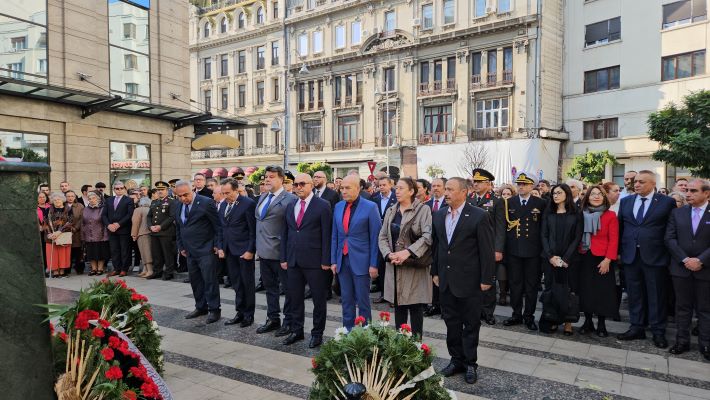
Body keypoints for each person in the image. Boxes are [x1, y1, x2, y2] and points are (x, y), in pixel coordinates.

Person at [432, 177, 494, 384]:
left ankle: (470, 363)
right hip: (446, 280)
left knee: (470, 324)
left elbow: (486, 250)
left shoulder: (479, 215)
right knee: (451, 323)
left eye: (450, 189)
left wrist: (487, 278)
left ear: (464, 192)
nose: (446, 193)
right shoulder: (439, 215)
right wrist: (435, 271)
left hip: (470, 281)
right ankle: (456, 360)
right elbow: (438, 246)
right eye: (446, 189)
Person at [617, 170, 676, 348]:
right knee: (634, 293)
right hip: (631, 256)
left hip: (655, 256)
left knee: (656, 294)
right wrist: (619, 252)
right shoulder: (626, 201)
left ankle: (658, 331)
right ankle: (636, 327)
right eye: (635, 181)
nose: (636, 184)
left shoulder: (666, 202)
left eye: (641, 182)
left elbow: (671, 229)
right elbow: (621, 227)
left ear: (653, 184)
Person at [280, 173, 332, 347]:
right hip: (293, 261)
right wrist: (284, 257)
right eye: (296, 184)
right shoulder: (290, 205)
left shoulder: (323, 205)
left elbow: (327, 235)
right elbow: (285, 233)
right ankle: (297, 331)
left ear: (311, 185)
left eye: (302, 184)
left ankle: (317, 333)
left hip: (316, 262)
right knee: (295, 298)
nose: (298, 187)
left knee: (318, 300)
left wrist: (326, 260)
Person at [378, 177, 432, 338]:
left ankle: (416, 345)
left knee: (415, 307)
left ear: (411, 191)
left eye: (401, 188)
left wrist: (407, 252)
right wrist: (388, 254)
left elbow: (427, 236)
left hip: (413, 265)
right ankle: (400, 344)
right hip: (394, 264)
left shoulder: (423, 210)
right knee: (399, 306)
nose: (397, 191)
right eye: (396, 188)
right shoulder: (391, 210)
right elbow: (382, 236)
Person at [665, 179, 710, 360]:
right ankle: (682, 341)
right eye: (687, 191)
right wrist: (684, 259)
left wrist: (701, 260)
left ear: (706, 193)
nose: (688, 194)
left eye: (693, 191)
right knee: (682, 307)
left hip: (705, 269)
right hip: (681, 268)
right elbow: (669, 239)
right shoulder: (677, 213)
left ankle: (706, 344)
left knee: (705, 309)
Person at [497, 172, 547, 331]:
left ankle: (529, 316)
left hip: (533, 252)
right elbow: (503, 228)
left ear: (532, 186)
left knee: (531, 286)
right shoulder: (508, 202)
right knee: (515, 284)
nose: (521, 186)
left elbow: (544, 229)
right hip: (514, 250)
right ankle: (516, 314)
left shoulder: (541, 203)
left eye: (524, 184)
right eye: (519, 184)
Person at [331, 175, 382, 329]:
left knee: (363, 301)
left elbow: (376, 237)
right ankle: (348, 333)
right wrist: (333, 260)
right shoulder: (338, 206)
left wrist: (374, 264)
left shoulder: (370, 207)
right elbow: (335, 235)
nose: (343, 191)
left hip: (362, 261)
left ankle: (365, 334)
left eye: (348, 188)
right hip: (342, 260)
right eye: (342, 188)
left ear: (358, 188)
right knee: (346, 300)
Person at [255, 166, 297, 336]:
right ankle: (272, 319)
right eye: (266, 176)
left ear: (281, 179)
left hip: (281, 253)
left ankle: (288, 321)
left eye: (271, 177)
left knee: (288, 290)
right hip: (263, 251)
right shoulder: (263, 196)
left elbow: (292, 228)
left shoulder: (290, 199)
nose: (267, 179)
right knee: (270, 288)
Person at [174, 180, 223, 324]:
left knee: (209, 281)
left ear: (193, 190)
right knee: (195, 281)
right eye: (179, 196)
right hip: (189, 251)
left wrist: (217, 244)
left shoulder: (206, 202)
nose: (183, 198)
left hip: (206, 249)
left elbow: (217, 226)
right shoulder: (178, 205)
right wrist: (181, 246)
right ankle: (200, 307)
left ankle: (214, 309)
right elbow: (179, 227)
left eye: (186, 195)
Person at [539, 184, 583, 335]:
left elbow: (577, 237)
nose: (555, 196)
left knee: (568, 290)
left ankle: (568, 322)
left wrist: (565, 259)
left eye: (559, 193)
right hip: (550, 258)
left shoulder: (576, 213)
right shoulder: (548, 212)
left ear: (567, 194)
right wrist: (550, 256)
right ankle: (552, 319)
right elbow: (543, 235)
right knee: (551, 289)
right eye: (554, 193)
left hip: (569, 260)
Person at [577, 185, 619, 337]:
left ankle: (601, 324)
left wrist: (608, 259)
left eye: (599, 194)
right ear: (587, 197)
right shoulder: (581, 214)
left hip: (603, 258)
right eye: (592, 194)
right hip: (584, 255)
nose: (596, 196)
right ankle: (587, 321)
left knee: (603, 292)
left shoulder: (610, 215)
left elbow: (614, 239)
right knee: (586, 290)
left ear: (604, 197)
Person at [218, 179, 257, 328]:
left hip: (244, 251)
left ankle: (249, 315)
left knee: (247, 284)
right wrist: (220, 247)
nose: (225, 196)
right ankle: (240, 312)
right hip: (229, 251)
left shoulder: (248, 204)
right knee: (236, 283)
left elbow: (252, 230)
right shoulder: (223, 204)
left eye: (228, 193)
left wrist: (250, 250)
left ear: (236, 190)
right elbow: (221, 228)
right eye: (223, 193)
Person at [470, 169, 498, 326]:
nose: (476, 184)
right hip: (472, 247)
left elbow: (500, 227)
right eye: (474, 181)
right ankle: (476, 309)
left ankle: (488, 312)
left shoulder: (496, 201)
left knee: (489, 279)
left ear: (488, 184)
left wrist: (498, 249)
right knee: (474, 279)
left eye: (479, 182)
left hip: (489, 246)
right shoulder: (469, 199)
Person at [424, 177, 447, 317]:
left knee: (443, 275)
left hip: (443, 244)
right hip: (429, 244)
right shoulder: (426, 205)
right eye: (433, 186)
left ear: (444, 188)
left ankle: (445, 306)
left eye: (439, 186)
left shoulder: (449, 203)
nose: (436, 188)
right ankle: (434, 304)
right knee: (432, 274)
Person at [372, 176, 397, 303]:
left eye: (384, 185)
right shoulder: (375, 199)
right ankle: (383, 294)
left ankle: (394, 297)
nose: (381, 187)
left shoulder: (396, 198)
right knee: (381, 266)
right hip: (379, 235)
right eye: (379, 185)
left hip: (392, 236)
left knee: (392, 267)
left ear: (390, 185)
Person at [146, 181, 177, 280]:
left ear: (167, 190)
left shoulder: (172, 201)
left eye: (162, 189)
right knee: (156, 254)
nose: (160, 191)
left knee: (167, 254)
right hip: (154, 232)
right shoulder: (154, 202)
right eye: (158, 190)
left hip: (166, 232)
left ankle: (169, 272)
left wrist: (160, 226)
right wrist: (150, 226)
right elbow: (149, 216)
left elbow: (172, 217)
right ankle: (157, 271)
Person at [102, 181, 134, 277]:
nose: (119, 190)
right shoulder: (109, 200)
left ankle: (124, 269)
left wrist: (119, 224)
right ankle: (116, 268)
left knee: (125, 250)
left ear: (124, 189)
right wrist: (108, 225)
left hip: (124, 229)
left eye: (121, 188)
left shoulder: (129, 200)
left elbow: (129, 214)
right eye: (117, 188)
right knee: (114, 250)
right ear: (114, 190)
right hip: (111, 230)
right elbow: (104, 215)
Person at [43, 192, 73, 278]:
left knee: (63, 254)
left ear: (62, 200)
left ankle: (62, 272)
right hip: (51, 236)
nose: (57, 201)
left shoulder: (68, 209)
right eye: (55, 200)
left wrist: (59, 231)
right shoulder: (48, 210)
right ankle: (55, 272)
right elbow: (45, 223)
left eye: (59, 199)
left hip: (63, 235)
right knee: (53, 254)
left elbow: (70, 221)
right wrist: (49, 234)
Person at [82, 191, 110, 275]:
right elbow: (82, 223)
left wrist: (105, 235)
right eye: (90, 199)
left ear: (98, 199)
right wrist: (83, 234)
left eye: (93, 198)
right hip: (88, 235)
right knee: (91, 253)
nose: (92, 200)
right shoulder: (85, 209)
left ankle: (100, 268)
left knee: (101, 253)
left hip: (100, 234)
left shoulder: (102, 208)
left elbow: (105, 222)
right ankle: (94, 269)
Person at [131, 197, 153, 278]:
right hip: (150, 233)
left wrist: (134, 234)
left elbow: (135, 223)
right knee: (148, 251)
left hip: (142, 233)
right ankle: (145, 269)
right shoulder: (150, 209)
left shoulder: (138, 210)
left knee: (145, 252)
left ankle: (150, 270)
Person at [65, 190, 85, 275]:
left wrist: (75, 228)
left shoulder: (80, 206)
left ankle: (79, 269)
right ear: (65, 197)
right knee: (67, 252)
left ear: (75, 197)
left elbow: (82, 219)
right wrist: (67, 227)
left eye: (72, 196)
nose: (70, 198)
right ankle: (66, 269)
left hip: (77, 232)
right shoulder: (63, 205)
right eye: (68, 196)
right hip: (65, 232)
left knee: (78, 251)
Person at [37, 191, 50, 269]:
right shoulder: (35, 208)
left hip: (49, 232)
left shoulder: (50, 207)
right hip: (39, 233)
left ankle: (49, 267)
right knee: (42, 250)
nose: (42, 199)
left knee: (48, 251)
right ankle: (43, 268)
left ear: (46, 198)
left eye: (43, 197)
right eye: (40, 197)